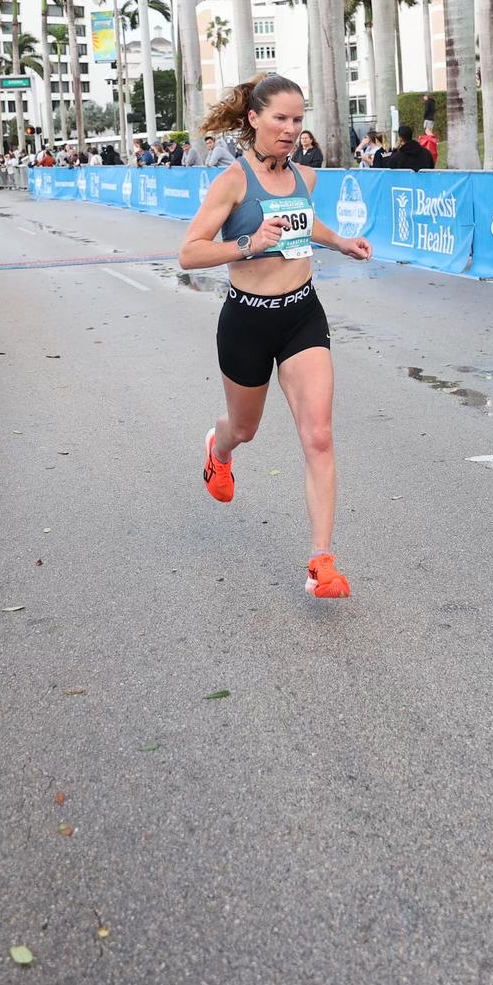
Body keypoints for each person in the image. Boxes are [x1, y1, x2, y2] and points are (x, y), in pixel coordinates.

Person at [181, 74, 372, 601]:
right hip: (246, 320)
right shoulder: (233, 182)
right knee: (245, 428)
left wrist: (341, 242)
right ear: (254, 120)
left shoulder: (306, 177)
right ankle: (218, 450)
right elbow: (189, 252)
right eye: (280, 119)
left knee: (319, 436)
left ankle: (321, 563)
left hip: (301, 317)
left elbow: (305, 225)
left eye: (297, 120)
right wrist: (246, 243)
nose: (290, 130)